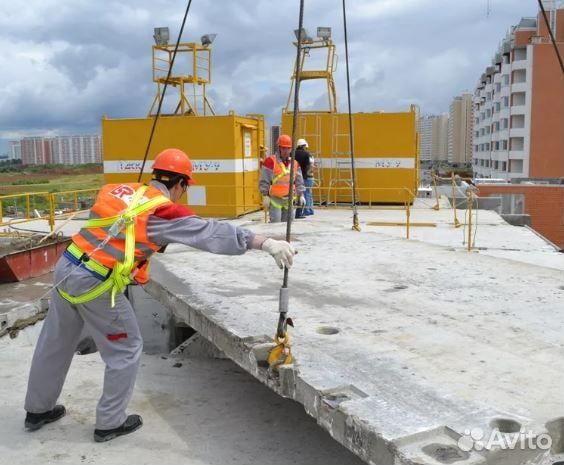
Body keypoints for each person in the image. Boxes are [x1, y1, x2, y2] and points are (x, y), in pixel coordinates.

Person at [23, 148, 296, 442]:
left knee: (55, 341)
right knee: (126, 349)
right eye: (185, 189)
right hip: (95, 284)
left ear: (156, 175)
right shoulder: (164, 211)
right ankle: (110, 423)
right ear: (181, 184)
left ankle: (37, 410)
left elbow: (106, 229)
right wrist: (265, 243)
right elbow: (210, 232)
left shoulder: (118, 190)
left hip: (66, 267)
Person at [259, 134, 305, 223]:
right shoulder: (270, 161)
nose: (286, 151)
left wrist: (301, 195)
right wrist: (265, 195)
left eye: (288, 148)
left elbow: (299, 181)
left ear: (291, 149)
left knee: (289, 226)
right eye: (283, 148)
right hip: (275, 199)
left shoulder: (295, 163)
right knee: (276, 226)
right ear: (279, 148)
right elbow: (264, 180)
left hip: (289, 200)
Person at [294, 138, 315, 218]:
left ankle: (300, 212)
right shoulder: (307, 155)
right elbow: (309, 167)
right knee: (306, 194)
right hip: (305, 177)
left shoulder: (292, 153)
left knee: (299, 195)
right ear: (304, 146)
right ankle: (305, 211)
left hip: (294, 177)